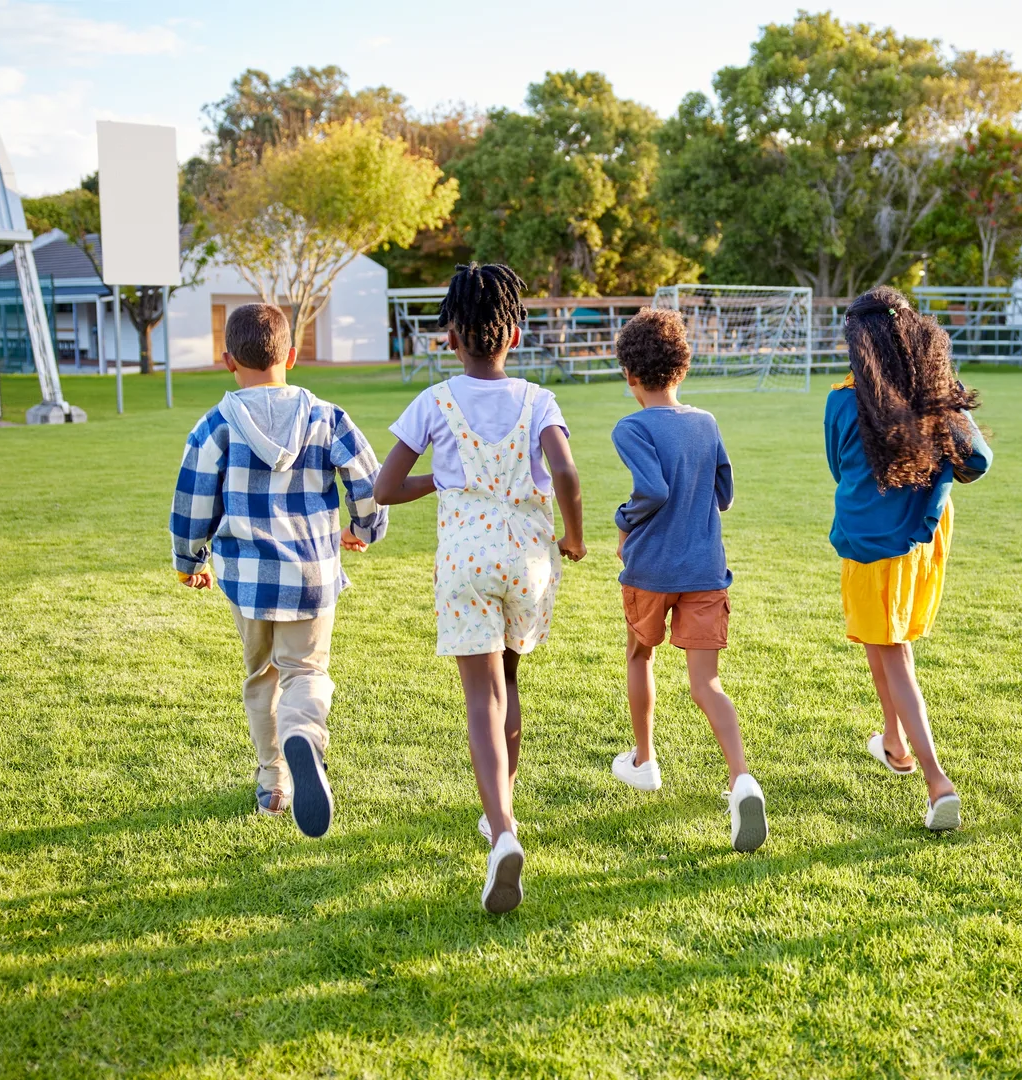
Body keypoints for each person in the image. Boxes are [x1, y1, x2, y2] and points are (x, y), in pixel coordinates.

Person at [374, 263, 585, 914]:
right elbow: (566, 475)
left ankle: (502, 829)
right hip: (527, 560)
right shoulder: (536, 401)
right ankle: (502, 811)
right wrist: (573, 538)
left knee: (480, 697)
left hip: (465, 560)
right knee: (511, 684)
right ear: (514, 334)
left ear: (450, 336)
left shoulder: (434, 402)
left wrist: (441, 480)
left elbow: (383, 490)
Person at [169, 302, 386, 839]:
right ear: (290, 354)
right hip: (312, 574)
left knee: (261, 676)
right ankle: (304, 736)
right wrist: (363, 528)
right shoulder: (325, 416)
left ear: (227, 361)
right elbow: (368, 481)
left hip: (248, 580)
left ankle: (274, 783)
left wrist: (190, 559)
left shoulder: (215, 425)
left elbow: (193, 499)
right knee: (306, 672)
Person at [825, 286, 992, 833]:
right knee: (886, 641)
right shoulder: (933, 393)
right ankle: (893, 742)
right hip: (924, 536)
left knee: (891, 650)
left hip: (873, 540)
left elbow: (837, 465)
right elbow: (979, 461)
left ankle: (937, 781)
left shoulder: (843, 399)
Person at [607, 308, 767, 852]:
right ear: (683, 369)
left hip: (651, 570)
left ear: (630, 374)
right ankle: (741, 779)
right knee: (707, 685)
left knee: (639, 655)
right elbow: (724, 494)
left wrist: (623, 520)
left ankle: (645, 760)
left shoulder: (630, 427)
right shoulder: (706, 422)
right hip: (705, 570)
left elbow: (651, 491)